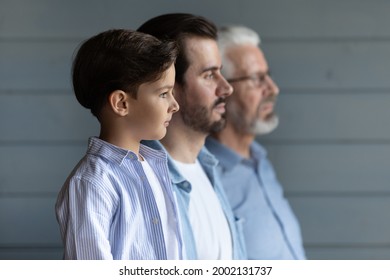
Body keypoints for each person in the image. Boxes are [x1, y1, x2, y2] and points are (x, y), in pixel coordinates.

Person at [55, 29, 182, 260]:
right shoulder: (92, 183)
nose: (174, 105)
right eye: (164, 93)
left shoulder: (155, 167)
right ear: (121, 103)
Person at [138, 13, 246, 260]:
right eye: (209, 75)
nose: (226, 88)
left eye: (220, 72)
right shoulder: (141, 185)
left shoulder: (209, 171)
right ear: (168, 85)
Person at [205, 25, 306, 259]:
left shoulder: (261, 162)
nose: (272, 88)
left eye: (268, 75)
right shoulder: (206, 178)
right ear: (221, 89)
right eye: (256, 78)